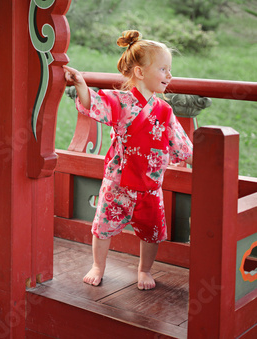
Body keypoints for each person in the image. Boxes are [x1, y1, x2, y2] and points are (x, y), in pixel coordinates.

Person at [63, 30, 193, 290]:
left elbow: (182, 145)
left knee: (152, 231)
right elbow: (92, 103)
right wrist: (79, 83)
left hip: (150, 185)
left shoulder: (164, 110)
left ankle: (144, 270)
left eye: (170, 69)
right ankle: (98, 266)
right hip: (118, 181)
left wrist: (207, 162)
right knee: (103, 227)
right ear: (140, 72)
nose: (170, 75)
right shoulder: (120, 102)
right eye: (164, 69)